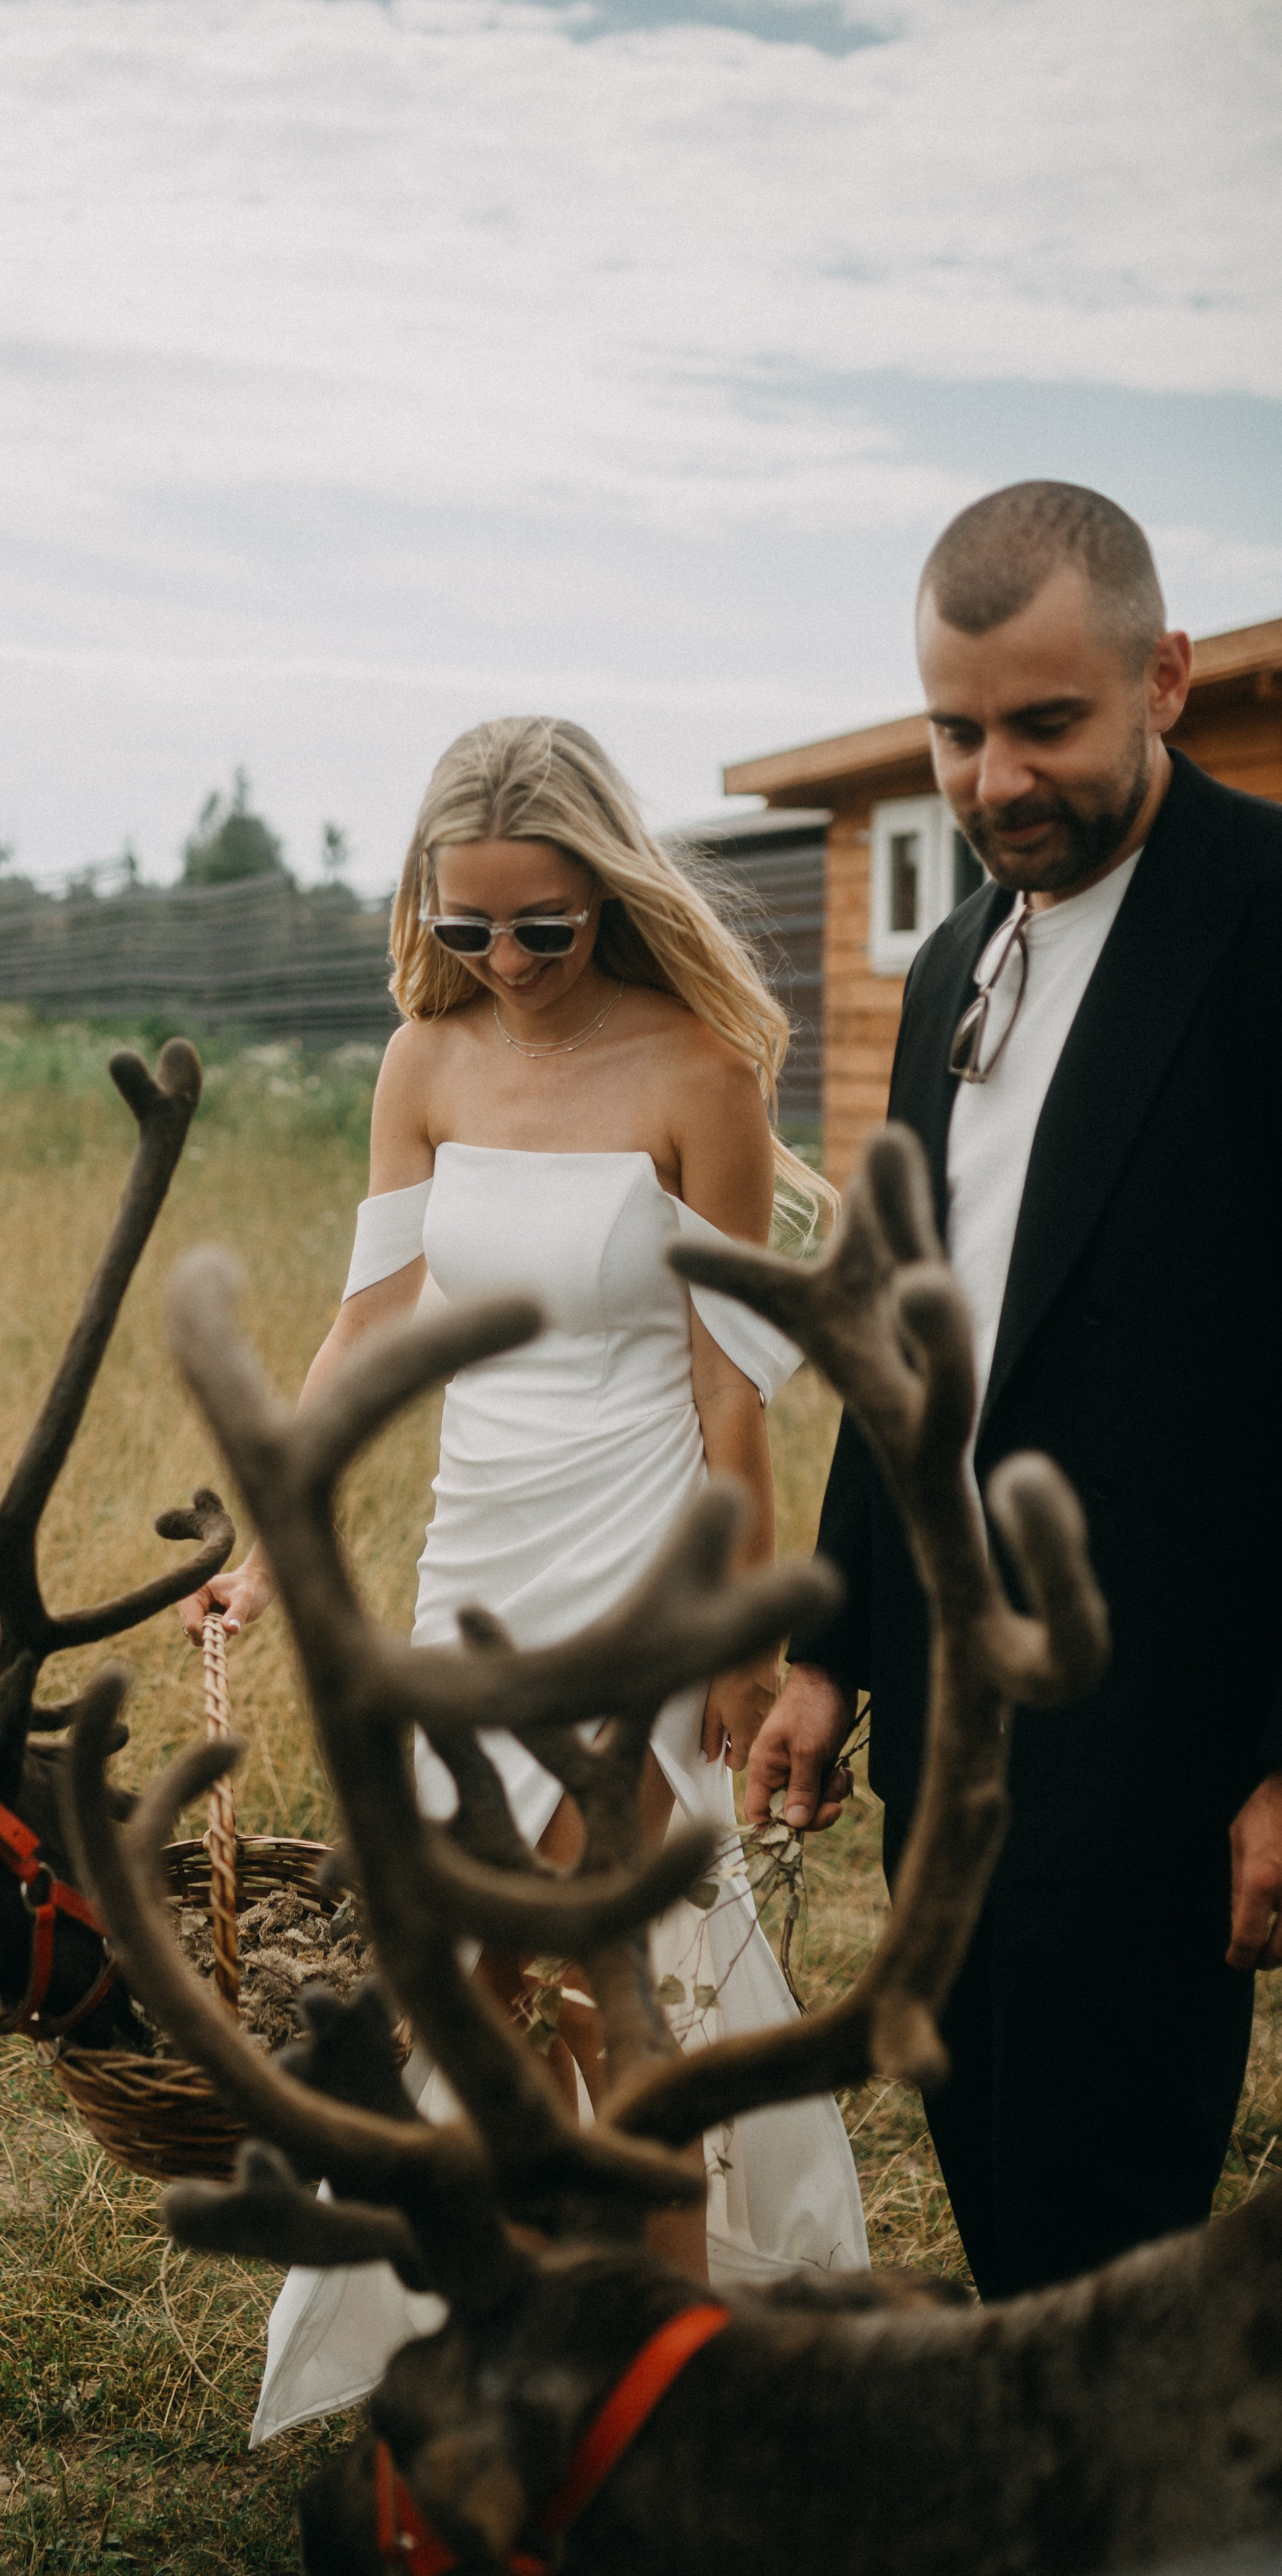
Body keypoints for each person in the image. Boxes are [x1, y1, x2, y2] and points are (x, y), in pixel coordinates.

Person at [182, 714, 867, 2438]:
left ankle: (665, 2410)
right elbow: (368, 1322)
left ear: (609, 893)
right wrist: (267, 1547)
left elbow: (730, 1387)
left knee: (611, 2000)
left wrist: (741, 1637)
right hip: (471, 1570)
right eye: (467, 922)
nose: (505, 959)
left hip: (641, 1565)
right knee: (481, 2001)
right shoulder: (424, 1061)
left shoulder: (701, 1071)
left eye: (543, 926)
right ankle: (511, 2372)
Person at [746, 480, 1282, 2302]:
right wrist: (830, 1648)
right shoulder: (954, 961)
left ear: (1168, 679)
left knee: (1101, 2236)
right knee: (980, 2144)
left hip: (1164, 1718)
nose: (994, 780)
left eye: (1046, 723)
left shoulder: (1269, 923)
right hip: (945, 1702)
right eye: (956, 733)